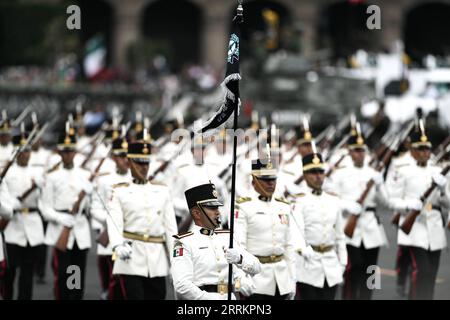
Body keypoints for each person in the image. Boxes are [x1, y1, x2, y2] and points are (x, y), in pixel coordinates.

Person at [107, 138, 178, 300]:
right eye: (139, 163)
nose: (144, 167)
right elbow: (114, 221)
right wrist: (117, 245)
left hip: (157, 260)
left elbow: (171, 229)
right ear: (130, 162)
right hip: (131, 257)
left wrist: (176, 262)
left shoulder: (162, 191)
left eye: (146, 163)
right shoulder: (119, 191)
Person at [387, 122, 449, 300]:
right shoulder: (403, 170)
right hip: (414, 228)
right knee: (421, 272)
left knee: (430, 275)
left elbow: (447, 204)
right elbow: (391, 200)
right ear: (412, 150)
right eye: (420, 149)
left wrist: (444, 190)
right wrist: (408, 205)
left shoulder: (438, 171)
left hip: (434, 228)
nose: (424, 152)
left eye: (427, 149)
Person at [171, 183, 261, 300]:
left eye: (217, 207)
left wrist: (240, 260)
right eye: (212, 208)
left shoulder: (227, 237)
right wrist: (209, 298)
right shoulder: (184, 242)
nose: (218, 212)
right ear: (197, 213)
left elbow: (256, 267)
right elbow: (182, 285)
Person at [329, 133, 389, 300]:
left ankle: (367, 297)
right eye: (356, 150)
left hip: (370, 227)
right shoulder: (340, 173)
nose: (360, 154)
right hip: (349, 228)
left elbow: (386, 203)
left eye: (362, 150)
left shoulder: (373, 173)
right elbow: (332, 200)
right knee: (353, 268)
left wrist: (380, 185)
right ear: (349, 152)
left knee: (371, 271)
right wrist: (347, 205)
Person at [39, 125, 93, 300]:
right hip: (61, 228)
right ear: (59, 153)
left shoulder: (84, 174)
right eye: (65, 151)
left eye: (71, 151)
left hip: (80, 228)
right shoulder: (52, 176)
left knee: (77, 273)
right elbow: (45, 207)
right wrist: (61, 217)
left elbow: (90, 207)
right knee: (63, 275)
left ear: (75, 153)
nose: (68, 155)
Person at [234, 152, 296, 300]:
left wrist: (292, 280)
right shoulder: (243, 206)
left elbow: (288, 246)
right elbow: (238, 247)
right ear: (254, 181)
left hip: (281, 280)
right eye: (265, 180)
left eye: (273, 179)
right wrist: (242, 279)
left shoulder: (283, 206)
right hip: (256, 280)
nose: (271, 184)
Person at [291, 150, 347, 300]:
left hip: (331, 266)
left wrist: (343, 263)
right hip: (308, 267)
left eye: (321, 171)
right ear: (304, 175)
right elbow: (297, 233)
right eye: (312, 172)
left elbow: (340, 236)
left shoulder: (333, 200)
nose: (318, 176)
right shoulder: (299, 201)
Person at [1, 131, 45, 300]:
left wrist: (42, 187)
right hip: (12, 226)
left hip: (32, 227)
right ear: (16, 152)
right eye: (22, 150)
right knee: (9, 273)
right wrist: (13, 204)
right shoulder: (7, 173)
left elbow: (46, 202)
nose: (26, 154)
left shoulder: (38, 172)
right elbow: (3, 198)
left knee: (27, 274)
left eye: (28, 150)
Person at [90, 136, 131, 300]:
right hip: (112, 234)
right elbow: (94, 208)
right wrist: (111, 221)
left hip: (131, 236)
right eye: (121, 156)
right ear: (114, 157)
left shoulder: (135, 178)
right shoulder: (105, 179)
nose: (125, 159)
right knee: (115, 280)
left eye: (127, 155)